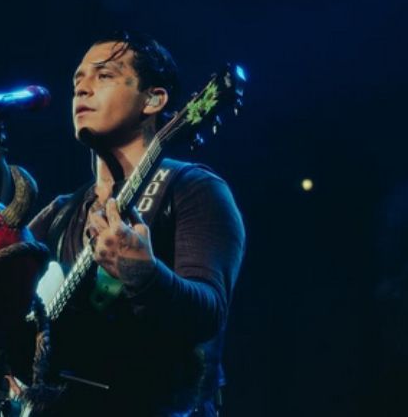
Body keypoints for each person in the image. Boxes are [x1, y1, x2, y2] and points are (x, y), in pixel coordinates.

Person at [25, 31, 245, 416]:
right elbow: (7, 318)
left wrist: (144, 274)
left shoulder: (193, 189)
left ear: (153, 99)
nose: (82, 89)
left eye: (104, 75)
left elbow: (209, 314)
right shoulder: (58, 213)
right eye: (78, 82)